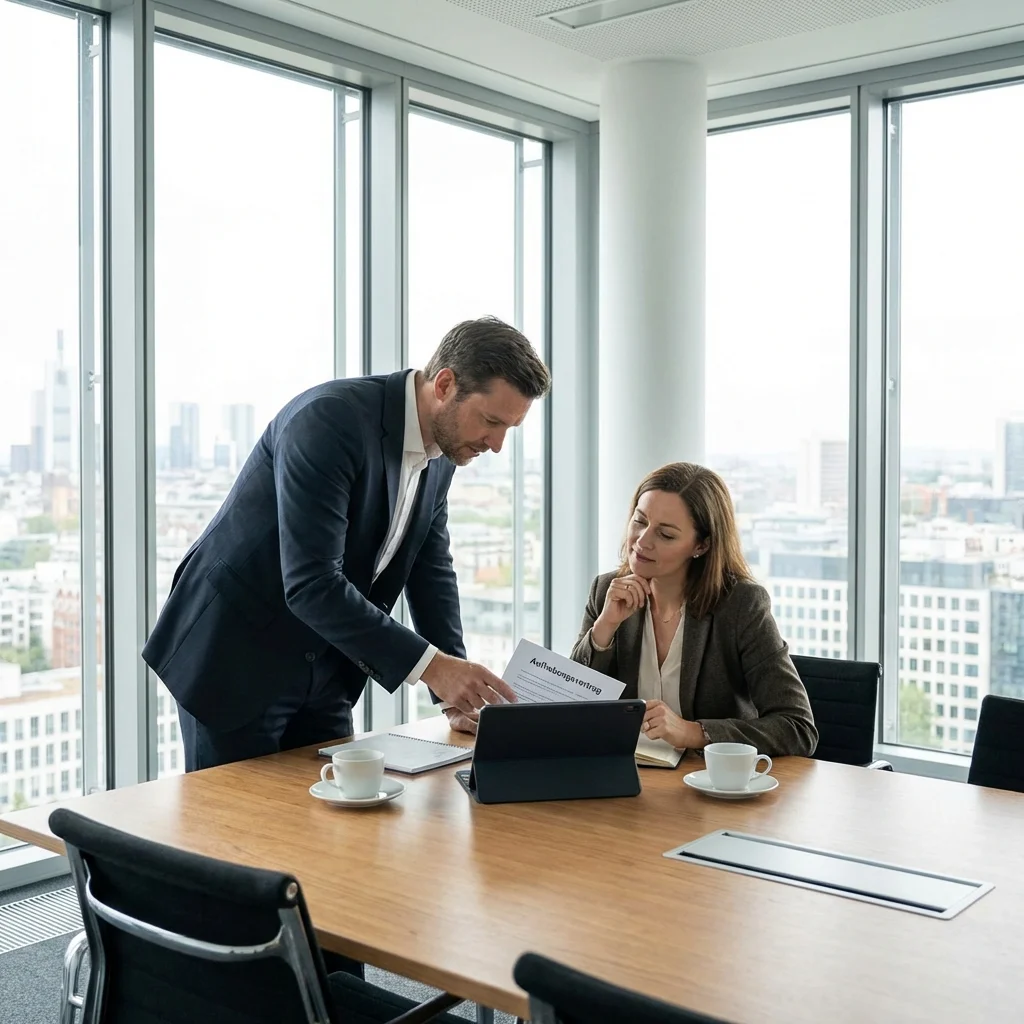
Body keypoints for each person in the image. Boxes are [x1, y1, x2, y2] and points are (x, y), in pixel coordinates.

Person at [143, 317, 550, 771]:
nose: (495, 444)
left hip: (326, 667)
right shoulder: (329, 420)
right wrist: (434, 668)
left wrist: (452, 695)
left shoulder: (446, 451)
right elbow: (311, 583)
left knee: (330, 829)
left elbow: (430, 570)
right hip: (236, 660)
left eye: (509, 429)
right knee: (233, 835)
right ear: (445, 384)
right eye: (492, 421)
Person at [570, 463, 817, 757]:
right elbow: (572, 706)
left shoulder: (741, 605)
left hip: (708, 786)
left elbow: (797, 727)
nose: (643, 541)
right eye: (640, 521)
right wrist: (605, 628)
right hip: (628, 777)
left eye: (666, 535)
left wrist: (694, 732)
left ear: (701, 545)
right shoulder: (607, 590)